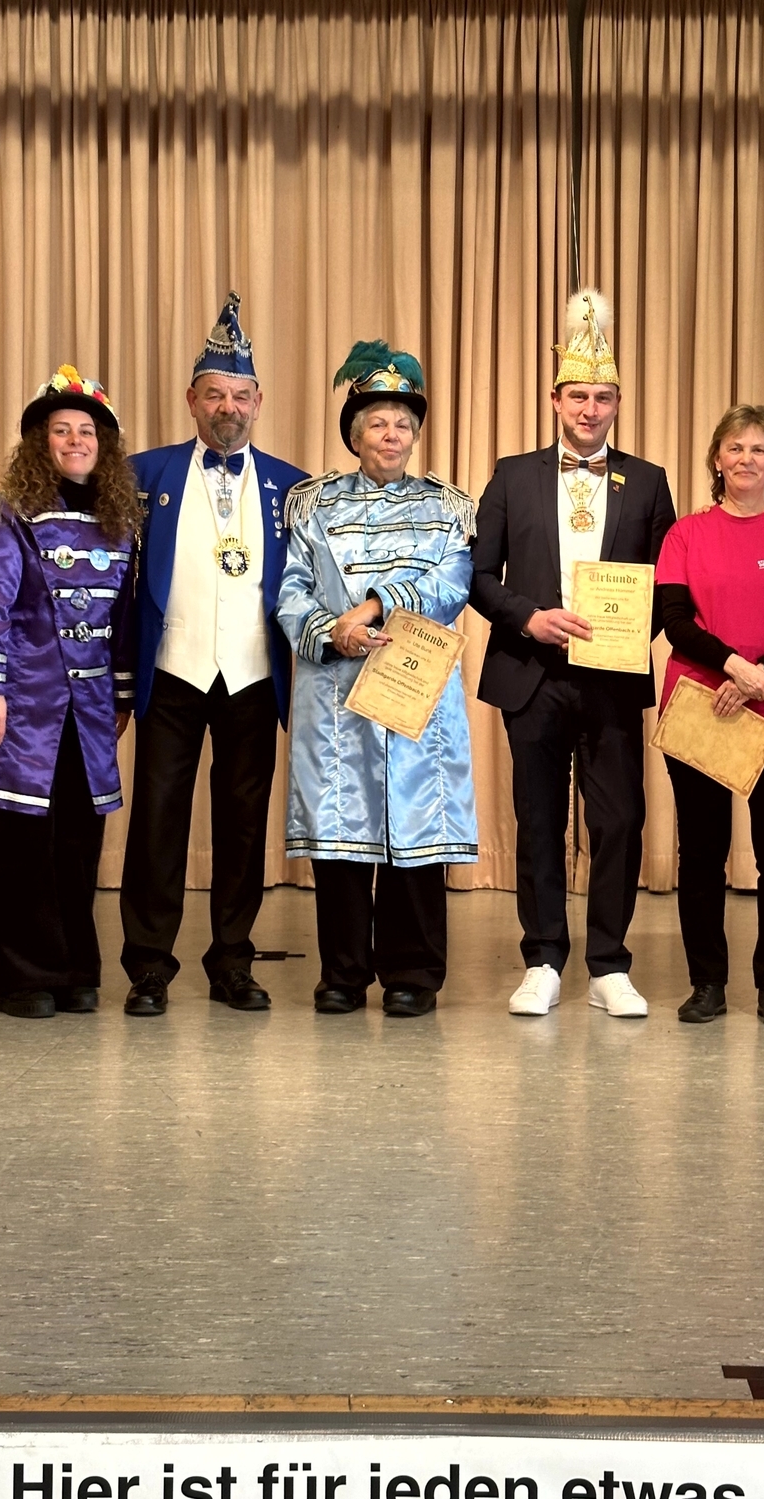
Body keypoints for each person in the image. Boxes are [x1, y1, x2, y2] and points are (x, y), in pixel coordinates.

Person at [471, 289, 676, 1017]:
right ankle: (543, 959)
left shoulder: (648, 481)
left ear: (617, 403)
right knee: (537, 821)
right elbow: (477, 576)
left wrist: (624, 636)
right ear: (555, 398)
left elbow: (669, 583)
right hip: (530, 674)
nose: (590, 409)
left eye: (603, 397)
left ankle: (609, 965)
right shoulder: (511, 474)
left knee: (618, 821)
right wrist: (528, 619)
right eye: (578, 396)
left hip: (611, 678)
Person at [277, 340, 478, 1017]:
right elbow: (291, 589)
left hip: (415, 686)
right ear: (354, 434)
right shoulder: (312, 506)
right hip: (335, 689)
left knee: (415, 825)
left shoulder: (449, 507)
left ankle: (412, 973)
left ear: (414, 436)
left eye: (402, 424)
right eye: (377, 423)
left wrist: (373, 606)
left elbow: (451, 584)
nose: (391, 434)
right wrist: (330, 631)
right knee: (340, 830)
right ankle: (341, 972)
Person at [119, 293, 307, 1017]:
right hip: (172, 671)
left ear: (258, 402)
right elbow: (116, 586)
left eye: (240, 395)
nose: (228, 407)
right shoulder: (143, 474)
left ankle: (232, 959)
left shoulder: (292, 485)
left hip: (254, 677)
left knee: (242, 823)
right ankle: (148, 965)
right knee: (157, 821)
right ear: (191, 400)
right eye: (214, 394)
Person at [0, 366, 138, 1018]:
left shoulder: (120, 520)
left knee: (76, 845)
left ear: (104, 446)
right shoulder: (10, 512)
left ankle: (75, 970)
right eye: (62, 430)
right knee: (15, 844)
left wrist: (121, 697)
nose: (76, 441)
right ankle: (24, 978)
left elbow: (123, 618)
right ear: (38, 442)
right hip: (19, 709)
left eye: (87, 431)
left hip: (87, 713)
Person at [655, 405, 764, 1027]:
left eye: (759, 449)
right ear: (717, 460)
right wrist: (735, 668)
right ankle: (707, 984)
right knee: (702, 853)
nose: (747, 459)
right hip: (702, 705)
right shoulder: (685, 535)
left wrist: (761, 678)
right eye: (735, 448)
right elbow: (675, 621)